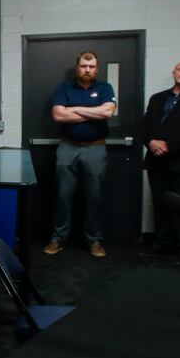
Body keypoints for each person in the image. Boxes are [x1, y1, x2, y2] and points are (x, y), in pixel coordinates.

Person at [44, 51, 116, 257]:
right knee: (62, 195)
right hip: (68, 147)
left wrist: (74, 109)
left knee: (94, 196)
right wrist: (93, 112)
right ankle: (58, 238)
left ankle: (94, 240)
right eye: (84, 66)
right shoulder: (63, 88)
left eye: (91, 66)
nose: (87, 70)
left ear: (97, 68)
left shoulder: (105, 88)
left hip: (96, 148)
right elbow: (58, 115)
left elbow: (107, 113)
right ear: (77, 67)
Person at [138, 60, 180, 262]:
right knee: (160, 205)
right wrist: (151, 142)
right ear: (173, 72)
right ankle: (162, 244)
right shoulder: (157, 98)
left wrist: (169, 146)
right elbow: (145, 125)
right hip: (156, 162)